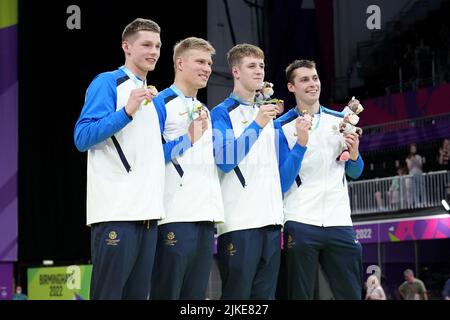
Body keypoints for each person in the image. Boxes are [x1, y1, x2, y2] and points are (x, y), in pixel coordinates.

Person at [74, 18, 165, 300]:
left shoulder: (153, 96)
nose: (154, 51)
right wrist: (126, 110)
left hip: (148, 215)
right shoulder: (107, 82)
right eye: (146, 44)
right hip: (116, 212)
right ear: (126, 46)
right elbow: (83, 136)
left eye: (158, 45)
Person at [276, 59, 364, 300]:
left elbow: (355, 172)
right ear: (292, 87)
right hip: (300, 220)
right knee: (300, 295)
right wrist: (300, 144)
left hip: (339, 220)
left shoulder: (340, 121)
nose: (312, 84)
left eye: (314, 78)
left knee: (351, 294)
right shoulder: (280, 127)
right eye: (304, 79)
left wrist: (354, 155)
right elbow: (281, 182)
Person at [150, 37, 224, 300]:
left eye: (210, 63)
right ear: (180, 63)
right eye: (200, 61)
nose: (207, 68)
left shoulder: (203, 108)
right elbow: (147, 159)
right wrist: (187, 140)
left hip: (205, 216)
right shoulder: (159, 104)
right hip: (174, 215)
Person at [210, 44, 284, 299]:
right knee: (236, 298)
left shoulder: (265, 113)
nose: (259, 71)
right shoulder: (221, 113)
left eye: (262, 65)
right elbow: (225, 160)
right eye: (252, 65)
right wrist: (257, 124)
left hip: (272, 221)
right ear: (236, 71)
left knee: (265, 299)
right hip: (240, 223)